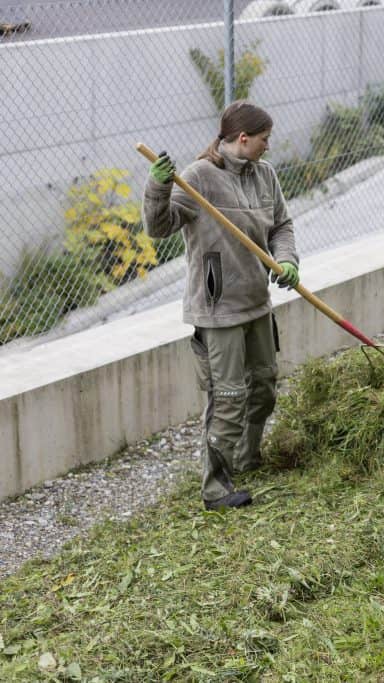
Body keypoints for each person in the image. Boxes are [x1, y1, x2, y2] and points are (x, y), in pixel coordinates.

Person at [143, 101, 300, 511]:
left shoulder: (265, 175)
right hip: (217, 310)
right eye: (264, 139)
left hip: (256, 303)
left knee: (264, 388)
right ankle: (215, 487)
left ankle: (247, 458)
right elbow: (158, 228)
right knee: (229, 396)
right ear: (243, 139)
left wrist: (287, 260)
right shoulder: (199, 179)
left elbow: (281, 225)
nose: (268, 146)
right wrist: (158, 187)